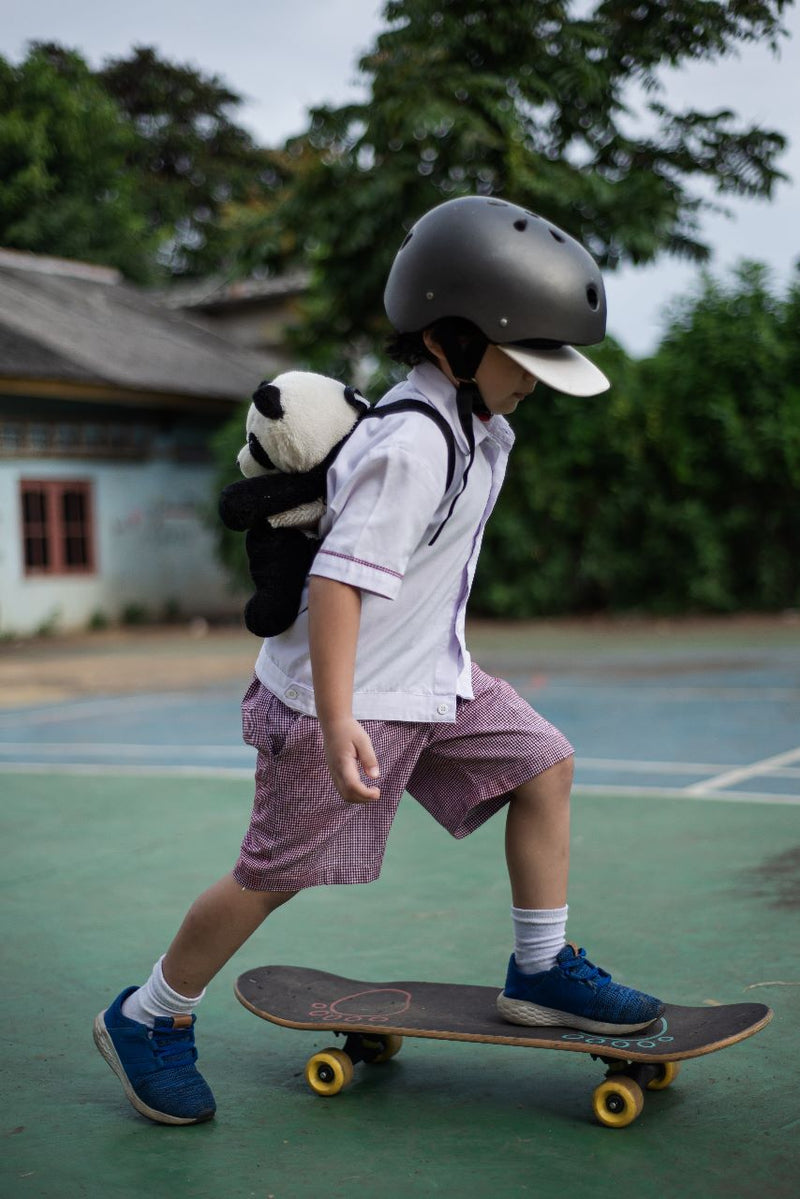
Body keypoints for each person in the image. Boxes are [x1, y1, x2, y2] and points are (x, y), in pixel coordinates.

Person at [93, 195, 663, 1126]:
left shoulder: (483, 430)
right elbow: (337, 586)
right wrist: (337, 716)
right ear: (455, 340)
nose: (540, 380)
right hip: (343, 697)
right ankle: (149, 1014)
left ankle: (542, 966)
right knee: (270, 875)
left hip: (432, 682)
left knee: (544, 762)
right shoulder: (411, 443)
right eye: (531, 356)